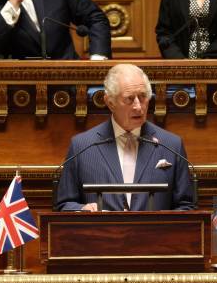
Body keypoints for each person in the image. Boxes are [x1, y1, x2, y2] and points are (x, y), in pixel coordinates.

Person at [56, 64, 194, 212]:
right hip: (101, 233)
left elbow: (186, 206)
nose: (138, 107)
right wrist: (83, 209)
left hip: (155, 234)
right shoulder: (82, 146)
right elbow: (64, 205)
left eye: (142, 97)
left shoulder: (171, 145)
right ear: (110, 102)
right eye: (129, 99)